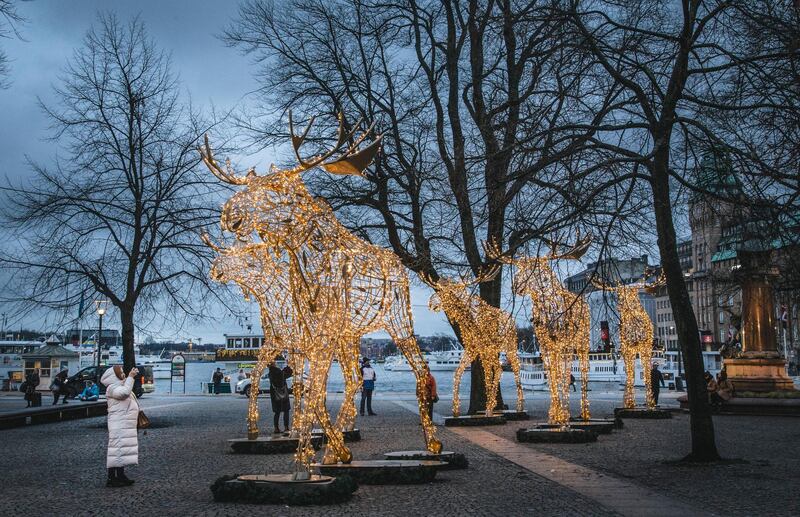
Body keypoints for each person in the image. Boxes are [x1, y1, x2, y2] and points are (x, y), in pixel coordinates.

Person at [101, 365, 140, 488]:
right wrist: (130, 377)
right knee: (116, 450)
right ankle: (112, 478)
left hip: (123, 423)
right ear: (115, 375)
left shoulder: (119, 386)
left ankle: (121, 475)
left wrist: (129, 378)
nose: (123, 374)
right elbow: (124, 394)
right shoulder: (112, 388)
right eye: (121, 372)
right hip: (118, 423)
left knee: (120, 450)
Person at [268, 356, 293, 434]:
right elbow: (284, 375)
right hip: (282, 393)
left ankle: (276, 428)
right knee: (286, 410)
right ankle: (286, 427)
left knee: (277, 411)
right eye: (274, 361)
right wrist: (289, 366)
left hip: (275, 394)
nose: (275, 362)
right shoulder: (277, 371)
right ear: (272, 364)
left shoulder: (270, 372)